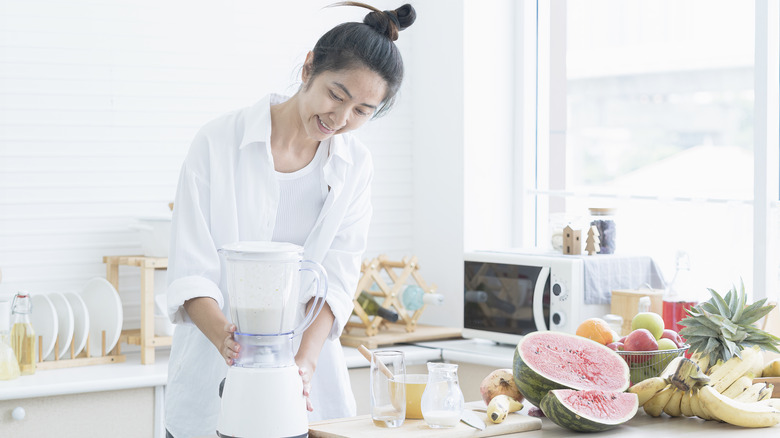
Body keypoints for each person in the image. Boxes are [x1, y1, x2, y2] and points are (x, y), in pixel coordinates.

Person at [163, 2, 416, 437]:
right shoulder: (217, 143)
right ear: (308, 68)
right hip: (210, 381)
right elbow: (191, 270)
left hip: (306, 390)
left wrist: (304, 363)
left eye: (362, 111)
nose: (340, 119)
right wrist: (231, 342)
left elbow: (337, 278)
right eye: (336, 95)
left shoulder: (355, 165)